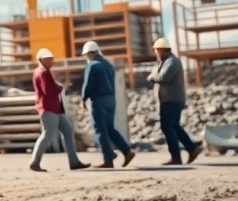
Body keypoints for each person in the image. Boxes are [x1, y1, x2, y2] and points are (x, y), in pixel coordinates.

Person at [29, 48, 90, 172]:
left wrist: (58, 87)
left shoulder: (40, 72)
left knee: (67, 131)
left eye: (52, 59)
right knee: (47, 135)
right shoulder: (43, 73)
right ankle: (35, 162)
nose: (51, 61)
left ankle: (74, 162)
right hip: (49, 108)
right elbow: (48, 90)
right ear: (42, 60)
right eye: (49, 59)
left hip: (54, 109)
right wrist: (61, 87)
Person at [80, 41, 136, 169]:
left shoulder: (92, 65)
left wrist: (83, 99)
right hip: (111, 99)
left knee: (100, 129)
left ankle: (108, 159)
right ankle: (127, 151)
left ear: (89, 54)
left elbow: (88, 84)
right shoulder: (108, 65)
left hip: (98, 100)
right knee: (110, 128)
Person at [148, 37, 204, 165]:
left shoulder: (172, 61)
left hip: (171, 100)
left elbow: (164, 77)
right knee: (174, 126)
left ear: (162, 49)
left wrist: (152, 76)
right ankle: (192, 148)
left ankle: (176, 157)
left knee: (167, 126)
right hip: (169, 100)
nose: (155, 53)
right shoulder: (165, 62)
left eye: (157, 50)